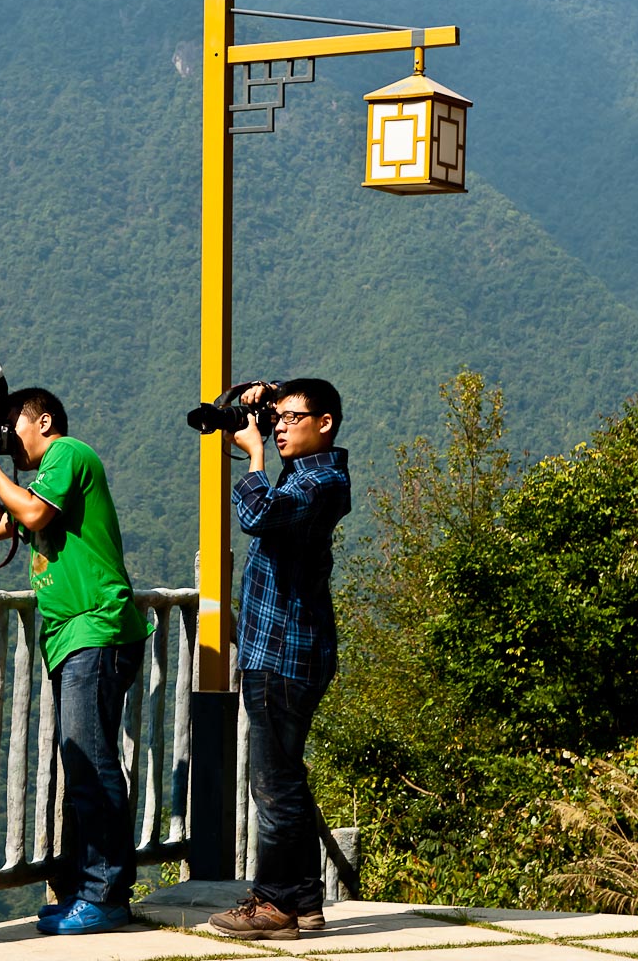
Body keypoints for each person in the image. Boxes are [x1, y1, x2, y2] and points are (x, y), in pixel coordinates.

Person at [0, 386, 153, 936]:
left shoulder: (68, 454)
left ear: (43, 421)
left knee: (92, 764)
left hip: (96, 627)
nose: (7, 440)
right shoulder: (38, 477)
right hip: (73, 635)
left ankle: (106, 895)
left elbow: (33, 513)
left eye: (12, 429)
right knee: (82, 764)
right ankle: (80, 891)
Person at [209, 378, 351, 941]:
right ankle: (305, 900)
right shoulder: (307, 468)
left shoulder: (322, 482)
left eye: (295, 418)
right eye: (280, 416)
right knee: (284, 776)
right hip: (285, 649)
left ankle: (274, 906)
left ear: (326, 423)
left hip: (284, 656)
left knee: (273, 784)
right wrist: (255, 399)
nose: (283, 425)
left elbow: (258, 515)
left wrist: (254, 456)